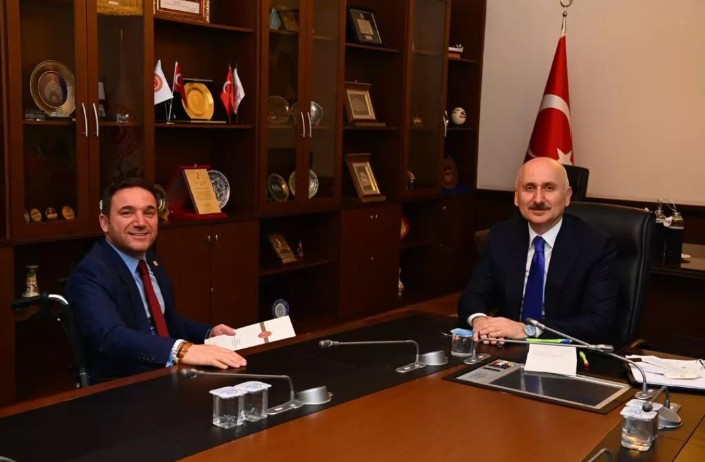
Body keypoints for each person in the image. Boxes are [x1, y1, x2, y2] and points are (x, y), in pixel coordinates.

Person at [66, 178, 247, 383]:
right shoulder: (89, 274)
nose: (140, 222)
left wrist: (207, 333)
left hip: (166, 374)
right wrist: (180, 350)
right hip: (124, 385)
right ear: (104, 223)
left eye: (149, 213)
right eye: (127, 213)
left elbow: (163, 319)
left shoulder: (150, 260)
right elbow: (109, 336)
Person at [458, 157, 617, 344]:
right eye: (529, 188)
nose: (538, 199)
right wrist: (480, 321)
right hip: (506, 346)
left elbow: (598, 323)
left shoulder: (595, 245)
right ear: (517, 197)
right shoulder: (501, 236)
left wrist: (528, 330)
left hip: (565, 350)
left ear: (567, 196)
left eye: (549, 188)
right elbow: (473, 295)